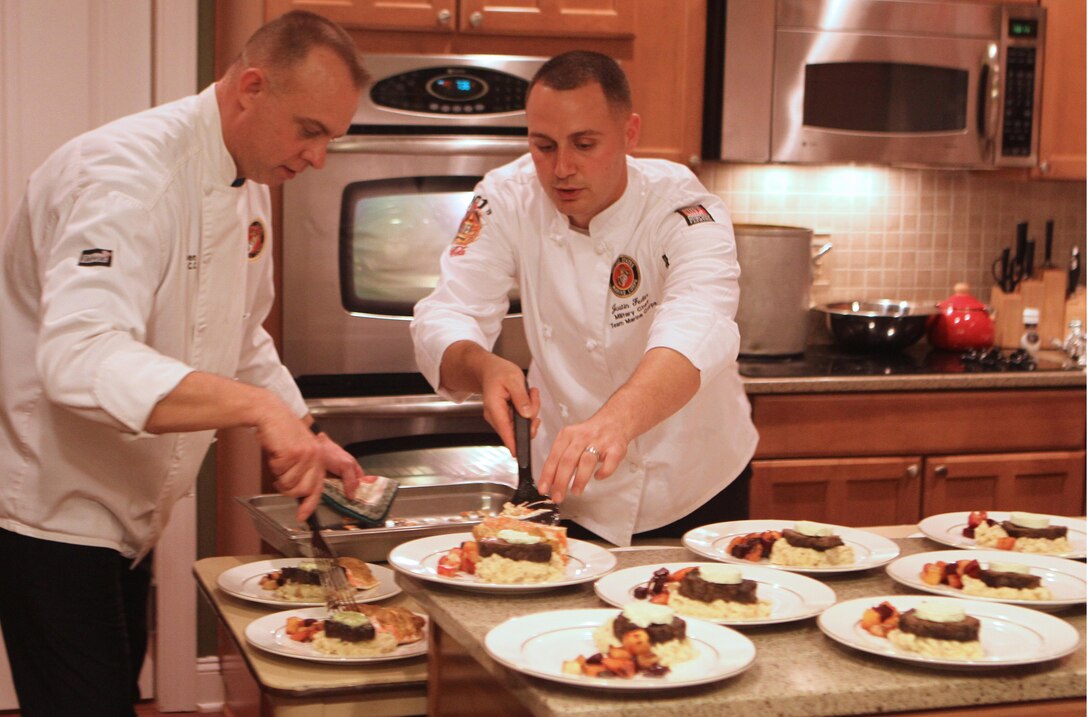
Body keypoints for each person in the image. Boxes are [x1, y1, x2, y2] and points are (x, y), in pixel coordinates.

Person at [0, 11, 369, 716]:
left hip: (130, 519)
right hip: (52, 513)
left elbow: (240, 338)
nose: (318, 156)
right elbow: (77, 357)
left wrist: (299, 425)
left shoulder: (247, 177)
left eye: (331, 137)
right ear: (250, 88)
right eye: (310, 130)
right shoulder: (124, 175)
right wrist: (258, 411)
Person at [411, 51, 758, 547]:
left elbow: (699, 321)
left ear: (629, 133)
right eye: (543, 146)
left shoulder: (683, 205)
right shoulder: (507, 197)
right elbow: (449, 310)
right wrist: (482, 367)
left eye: (585, 144)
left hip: (697, 487)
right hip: (572, 489)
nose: (561, 169)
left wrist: (615, 420)